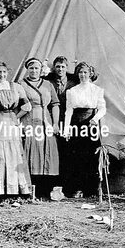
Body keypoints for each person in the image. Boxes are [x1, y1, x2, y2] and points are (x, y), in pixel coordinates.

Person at [0, 61, 32, 196]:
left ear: (8, 72)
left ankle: (18, 190)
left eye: (4, 72)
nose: (2, 75)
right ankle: (2, 191)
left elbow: (27, 106)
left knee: (15, 152)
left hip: (12, 122)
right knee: (1, 154)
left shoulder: (16, 87)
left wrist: (16, 117)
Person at [63, 62, 106, 197]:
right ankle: (76, 188)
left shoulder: (97, 90)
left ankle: (91, 189)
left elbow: (102, 108)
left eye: (85, 73)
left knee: (91, 156)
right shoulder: (72, 91)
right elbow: (69, 110)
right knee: (76, 157)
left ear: (90, 74)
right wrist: (66, 128)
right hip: (76, 123)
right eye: (80, 72)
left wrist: (96, 118)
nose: (83, 75)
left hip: (91, 123)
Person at [20, 58, 60, 196]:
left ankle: (45, 188)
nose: (34, 71)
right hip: (29, 119)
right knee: (31, 151)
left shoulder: (48, 84)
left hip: (46, 120)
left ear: (40, 70)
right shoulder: (20, 84)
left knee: (47, 151)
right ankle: (30, 188)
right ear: (27, 69)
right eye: (31, 68)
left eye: (36, 68)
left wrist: (55, 123)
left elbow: (55, 104)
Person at [44, 56, 78, 189]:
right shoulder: (48, 80)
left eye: (63, 67)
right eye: (58, 66)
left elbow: (93, 76)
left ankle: (68, 185)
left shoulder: (73, 80)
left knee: (69, 152)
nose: (60, 69)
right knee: (54, 151)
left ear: (67, 68)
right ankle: (52, 184)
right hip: (53, 119)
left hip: (70, 120)